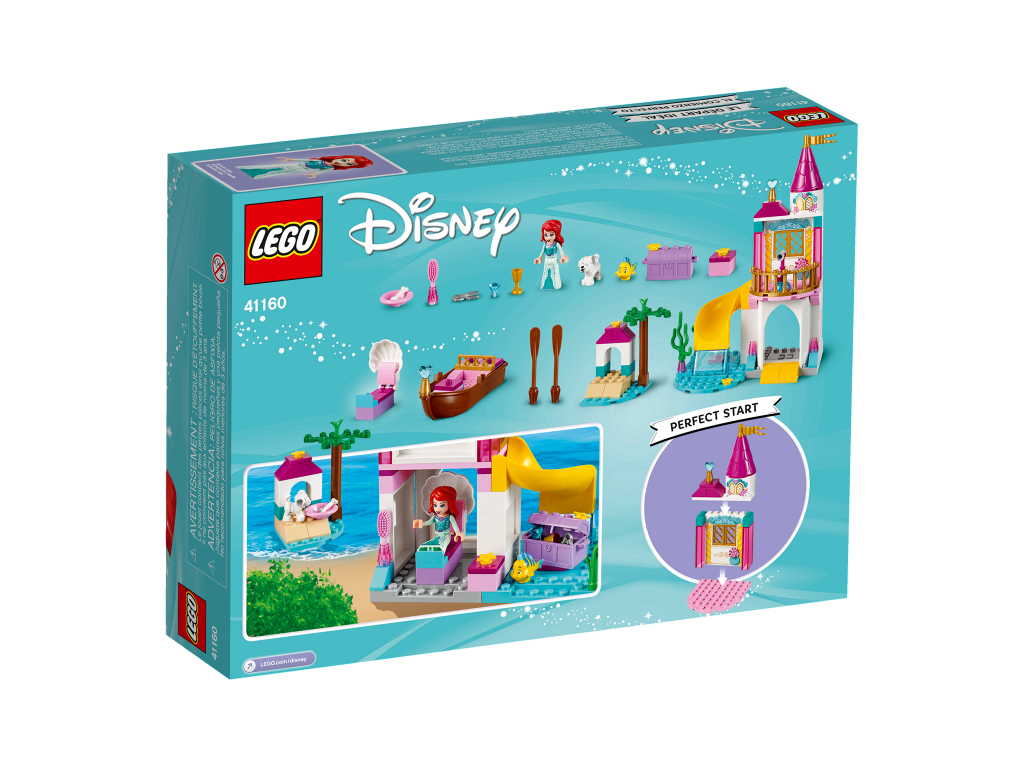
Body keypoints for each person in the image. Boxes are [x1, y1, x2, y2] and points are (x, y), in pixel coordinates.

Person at [236, 154, 373, 181]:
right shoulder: (321, 160)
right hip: (298, 164)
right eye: (344, 160)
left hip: (302, 169)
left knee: (279, 171)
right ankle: (245, 168)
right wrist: (290, 159)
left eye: (348, 164)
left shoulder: (330, 168)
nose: (343, 163)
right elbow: (306, 160)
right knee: (276, 166)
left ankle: (257, 176)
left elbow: (319, 172)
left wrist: (314, 174)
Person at [413, 485, 463, 553]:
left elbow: (455, 526)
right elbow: (429, 522)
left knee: (442, 545)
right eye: (435, 505)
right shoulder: (435, 517)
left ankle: (439, 553)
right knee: (429, 543)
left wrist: (458, 533)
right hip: (437, 536)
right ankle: (424, 552)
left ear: (449, 504)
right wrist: (423, 523)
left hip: (446, 536)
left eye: (442, 505)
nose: (438, 509)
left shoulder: (449, 517)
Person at [534, 219, 568, 290]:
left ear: (556, 234)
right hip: (547, 259)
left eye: (551, 234)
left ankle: (556, 285)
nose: (548, 237)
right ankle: (546, 285)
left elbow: (561, 251)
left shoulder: (556, 244)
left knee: (555, 272)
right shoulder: (545, 244)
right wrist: (539, 258)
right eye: (546, 235)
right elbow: (542, 252)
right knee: (546, 272)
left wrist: (563, 256)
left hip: (554, 259)